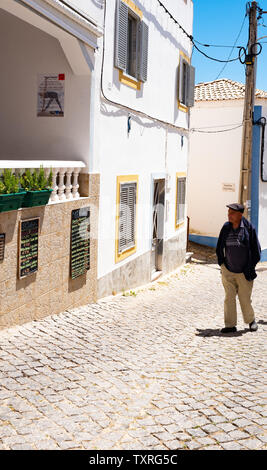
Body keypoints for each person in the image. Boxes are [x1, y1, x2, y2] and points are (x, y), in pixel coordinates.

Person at [216, 203, 261, 333]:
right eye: (228, 212)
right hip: (228, 270)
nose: (228, 215)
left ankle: (251, 321)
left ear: (240, 215)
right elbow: (219, 247)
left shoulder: (248, 228)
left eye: (232, 213)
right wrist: (222, 264)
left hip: (244, 271)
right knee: (229, 297)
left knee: (244, 298)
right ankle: (230, 325)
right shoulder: (226, 227)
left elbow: (256, 251)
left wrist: (250, 266)